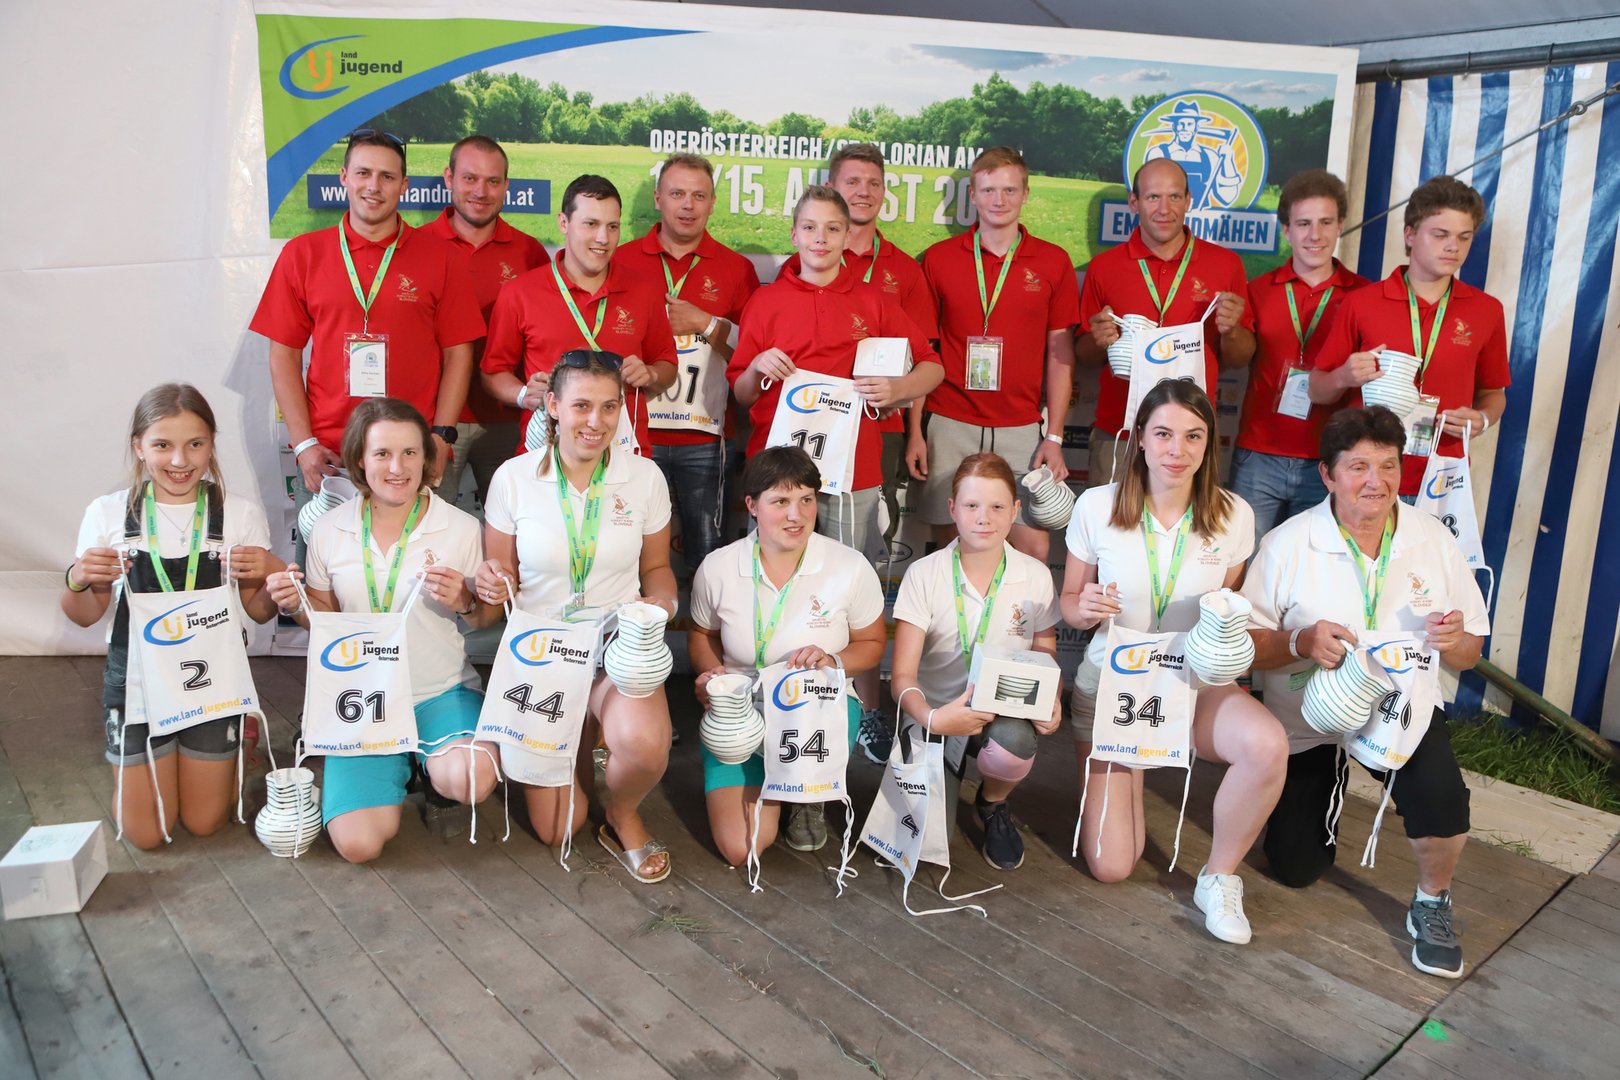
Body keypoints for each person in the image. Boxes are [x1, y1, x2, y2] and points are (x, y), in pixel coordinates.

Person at [1242, 406, 1489, 978]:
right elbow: (1247, 647)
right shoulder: (1286, 543)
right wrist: (1300, 640)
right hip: (1308, 716)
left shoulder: (1433, 539)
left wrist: (1453, 641)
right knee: (1295, 867)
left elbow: (1471, 651)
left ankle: (1432, 902)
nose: (1375, 481)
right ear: (1327, 475)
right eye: (1357, 467)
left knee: (1443, 796)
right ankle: (1325, 780)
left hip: (1400, 709)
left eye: (1387, 466)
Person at [1060, 379, 1286, 944]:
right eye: (1163, 434)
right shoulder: (1097, 505)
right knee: (1113, 865)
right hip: (1115, 686)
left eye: (1193, 436)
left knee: (1266, 744)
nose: (1176, 450)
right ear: (1139, 437)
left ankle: (1219, 877)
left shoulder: (1233, 514)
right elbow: (1069, 602)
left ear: (1210, 443)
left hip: (1192, 684)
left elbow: (1227, 607)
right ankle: (1130, 767)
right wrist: (1083, 608)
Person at [265, 398, 502, 863]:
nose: (398, 467)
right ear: (359, 459)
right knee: (358, 845)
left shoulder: (460, 527)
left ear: (426, 457)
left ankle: (432, 771)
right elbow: (325, 621)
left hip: (438, 692)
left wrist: (466, 600)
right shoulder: (329, 529)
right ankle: (405, 764)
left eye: (410, 452)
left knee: (471, 778)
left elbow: (486, 619)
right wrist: (296, 604)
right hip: (362, 702)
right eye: (382, 454)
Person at [475, 351, 680, 883]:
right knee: (558, 829)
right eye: (582, 405)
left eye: (609, 407)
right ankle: (575, 742)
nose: (596, 421)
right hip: (542, 656)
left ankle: (623, 813)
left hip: (615, 647)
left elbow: (656, 568)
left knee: (645, 746)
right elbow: (502, 575)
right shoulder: (513, 478)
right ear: (552, 406)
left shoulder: (645, 477)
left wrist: (662, 605)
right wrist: (492, 582)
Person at [64, 384, 281, 850]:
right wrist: (77, 578)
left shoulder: (238, 514)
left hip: (213, 681)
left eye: (195, 444)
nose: (180, 460)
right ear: (139, 446)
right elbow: (83, 616)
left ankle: (236, 739)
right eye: (163, 445)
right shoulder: (108, 513)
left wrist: (273, 573)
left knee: (205, 822)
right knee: (145, 834)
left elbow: (259, 613)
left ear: (211, 445)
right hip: (137, 682)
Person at [252, 129, 485, 540]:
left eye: (387, 176)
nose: (373, 186)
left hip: (411, 456)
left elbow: (458, 354)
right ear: (343, 177)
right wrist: (303, 445)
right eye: (363, 173)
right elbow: (283, 354)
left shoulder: (442, 257)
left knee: (418, 567)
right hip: (330, 457)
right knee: (322, 571)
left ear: (404, 185)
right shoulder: (303, 254)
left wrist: (441, 437)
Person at [801, 142, 940, 764]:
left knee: (856, 577)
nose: (862, 193)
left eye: (872, 183)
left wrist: (907, 410)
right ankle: (787, 696)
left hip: (864, 449)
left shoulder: (893, 278)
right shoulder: (791, 277)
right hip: (795, 458)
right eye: (850, 183)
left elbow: (924, 359)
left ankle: (869, 706)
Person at [687, 446, 886, 865]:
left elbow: (872, 644)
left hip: (813, 708)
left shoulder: (849, 566)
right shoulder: (718, 567)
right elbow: (702, 634)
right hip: (740, 709)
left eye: (806, 500)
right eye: (780, 501)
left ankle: (805, 795)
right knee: (742, 849)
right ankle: (776, 779)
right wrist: (713, 675)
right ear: (752, 506)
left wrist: (833, 661)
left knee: (810, 706)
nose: (796, 515)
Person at [730, 185, 942, 556]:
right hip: (776, 467)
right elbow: (742, 394)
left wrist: (897, 389)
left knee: (847, 574)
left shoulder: (874, 301)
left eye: (832, 228)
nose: (820, 238)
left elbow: (933, 366)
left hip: (852, 468)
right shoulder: (764, 301)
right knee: (773, 568)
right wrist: (757, 367)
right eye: (809, 227)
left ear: (846, 237)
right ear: (794, 235)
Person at [890, 453, 1062, 871]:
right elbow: (901, 677)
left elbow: (1046, 649)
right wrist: (933, 718)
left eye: (997, 506)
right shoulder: (924, 574)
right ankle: (936, 774)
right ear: (952, 509)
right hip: (936, 715)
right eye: (971, 505)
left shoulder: (1035, 575)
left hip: (1002, 714)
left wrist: (1051, 698)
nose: (984, 518)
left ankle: (992, 802)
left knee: (1014, 745)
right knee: (926, 845)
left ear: (1016, 510)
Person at [914, 146, 1079, 563]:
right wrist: (916, 429)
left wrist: (1055, 436)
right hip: (950, 420)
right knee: (952, 545)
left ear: (1026, 193)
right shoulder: (939, 259)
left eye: (1009, 190)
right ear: (972, 194)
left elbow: (1060, 354)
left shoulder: (1053, 262)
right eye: (988, 190)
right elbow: (923, 353)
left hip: (1021, 425)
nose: (999, 200)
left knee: (1033, 547)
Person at [1308, 175, 1509, 498]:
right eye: (1440, 235)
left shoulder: (1486, 310)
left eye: (1465, 237)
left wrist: (1483, 420)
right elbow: (1317, 389)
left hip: (1441, 475)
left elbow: (1494, 393)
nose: (1453, 247)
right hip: (1366, 476)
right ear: (1410, 234)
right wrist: (1344, 376)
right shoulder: (1362, 302)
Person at [614, 153, 760, 570]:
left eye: (699, 195)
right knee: (625, 548)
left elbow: (751, 355)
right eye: (677, 193)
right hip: (634, 432)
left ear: (712, 202)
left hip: (705, 438)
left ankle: (702, 617)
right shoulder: (620, 260)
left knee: (707, 554)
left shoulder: (737, 269)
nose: (688, 205)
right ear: (658, 198)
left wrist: (706, 323)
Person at [1075, 158, 1255, 489]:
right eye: (1153, 197)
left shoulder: (1225, 265)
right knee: (1111, 522)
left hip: (1190, 434)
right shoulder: (1104, 267)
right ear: (1134, 202)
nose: (1164, 209)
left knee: (1188, 523)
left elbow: (1240, 358)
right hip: (1121, 431)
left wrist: (1231, 331)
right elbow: (1084, 356)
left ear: (1188, 201)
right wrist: (1098, 339)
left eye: (1174, 197)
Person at [482, 174, 678, 457]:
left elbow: (667, 367)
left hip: (622, 453)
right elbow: (492, 373)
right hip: (546, 453)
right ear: (564, 223)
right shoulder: (520, 292)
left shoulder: (644, 291)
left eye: (612, 226)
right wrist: (523, 395)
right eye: (591, 224)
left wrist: (650, 373)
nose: (603, 238)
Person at [1232, 170, 1369, 542]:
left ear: (1340, 225)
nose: (1315, 235)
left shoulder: (1364, 296)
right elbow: (1235, 356)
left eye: (1326, 222)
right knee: (1245, 561)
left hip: (1330, 457)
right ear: (1286, 230)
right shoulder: (1257, 290)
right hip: (1258, 453)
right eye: (1304, 223)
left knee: (1314, 562)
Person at [421, 135, 547, 505]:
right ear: (449, 178)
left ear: (506, 186)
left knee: (519, 525)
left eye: (493, 181)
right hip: (434, 421)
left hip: (508, 419)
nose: (481, 191)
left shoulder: (530, 252)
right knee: (429, 525)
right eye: (470, 178)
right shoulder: (417, 246)